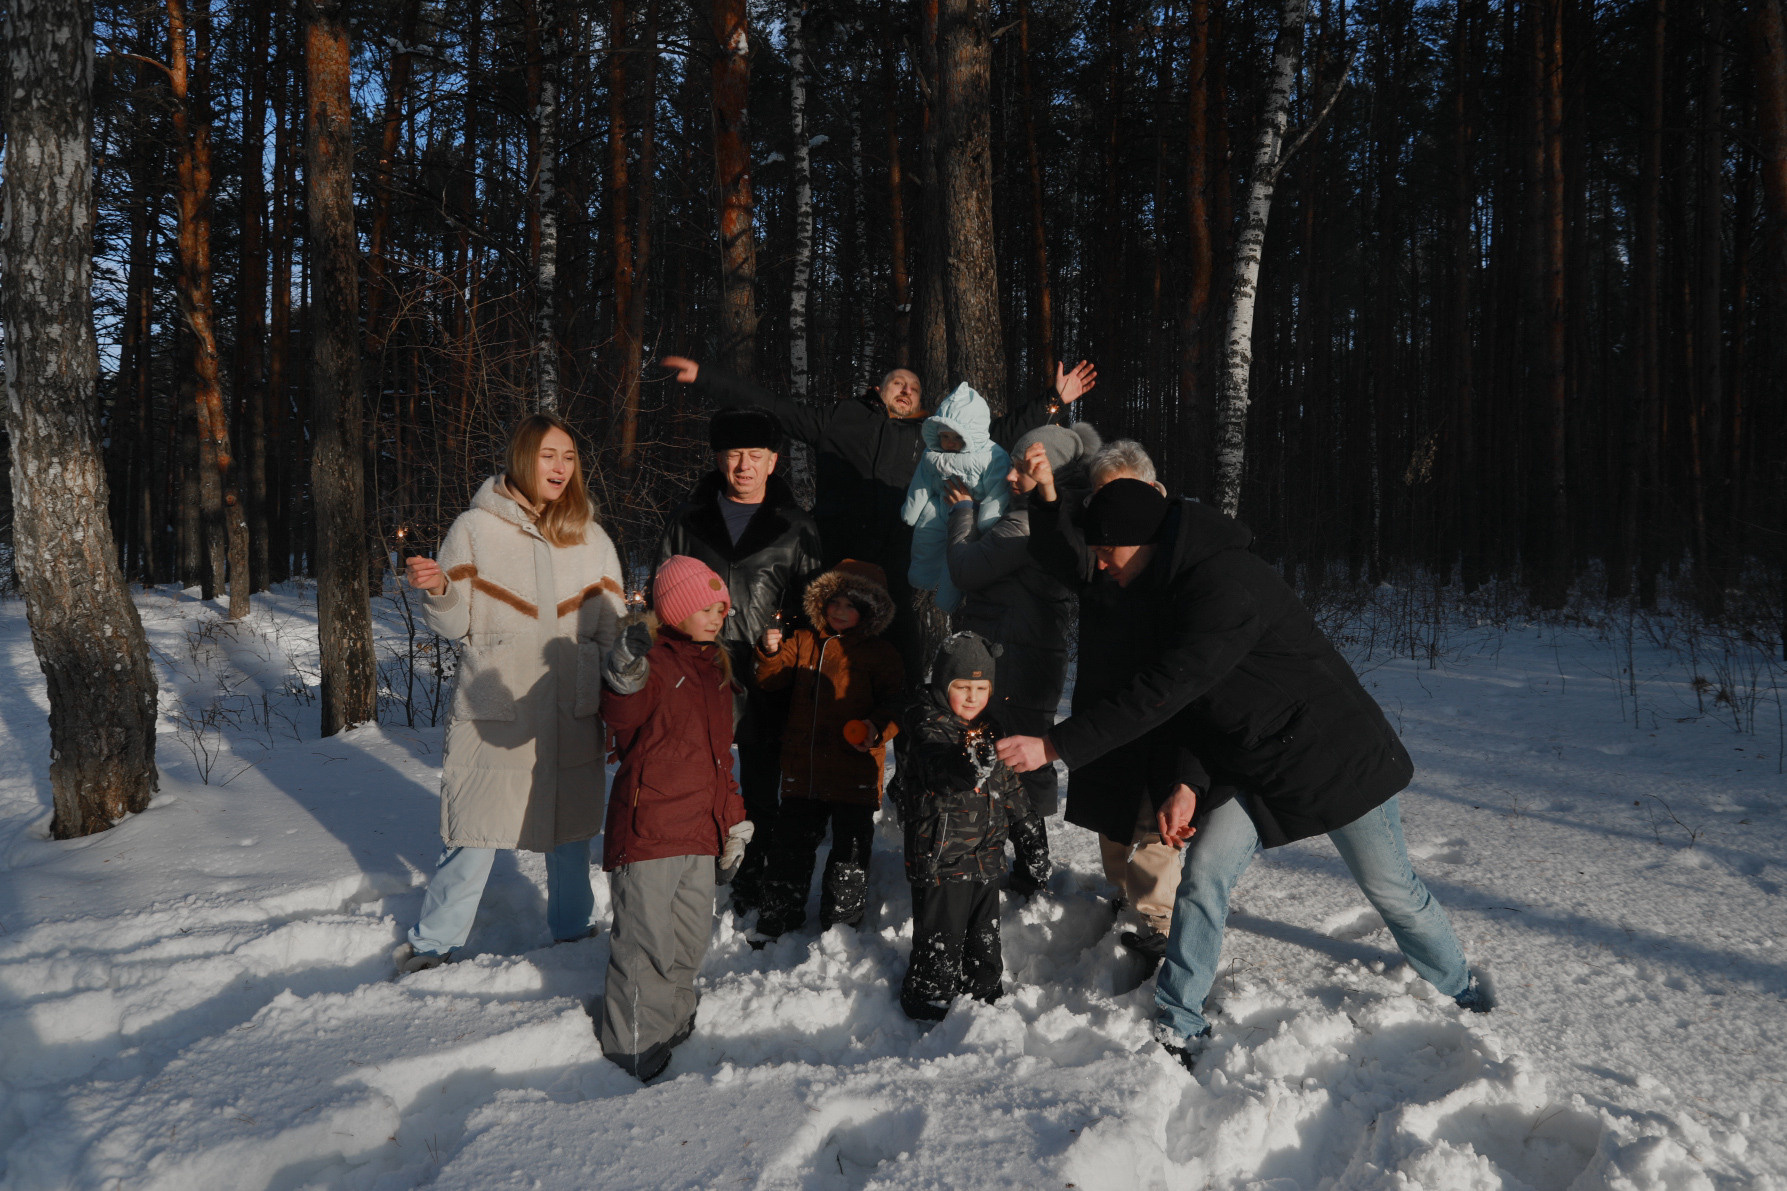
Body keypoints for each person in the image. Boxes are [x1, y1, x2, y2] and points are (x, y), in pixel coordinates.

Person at [996, 478, 1490, 1071]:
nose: (1100, 564)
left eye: (1106, 550)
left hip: (1331, 759)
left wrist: (1053, 743)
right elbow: (1194, 707)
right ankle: (1180, 1021)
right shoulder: (1158, 586)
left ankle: (1462, 989)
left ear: (1142, 540)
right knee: (1203, 877)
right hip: (1248, 764)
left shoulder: (1226, 586)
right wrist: (1188, 781)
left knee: (1391, 888)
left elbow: (1166, 690)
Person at [657, 353, 1096, 673]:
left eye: (914, 387)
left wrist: (1054, 399)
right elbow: (776, 409)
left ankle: (906, 764)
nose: (906, 389)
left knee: (898, 670)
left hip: (895, 571)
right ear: (878, 390)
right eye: (897, 382)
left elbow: (997, 434)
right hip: (831, 566)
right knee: (818, 667)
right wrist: (706, 378)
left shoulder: (934, 439)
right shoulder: (841, 419)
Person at [395, 414, 624, 975]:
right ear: (524, 457)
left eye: (569, 457)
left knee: (571, 834)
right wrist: (440, 590)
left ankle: (573, 934)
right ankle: (432, 945)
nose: (560, 467)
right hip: (498, 705)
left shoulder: (591, 536)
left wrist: (620, 708)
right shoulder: (474, 528)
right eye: (549, 455)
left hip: (572, 707)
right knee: (474, 830)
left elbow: (613, 632)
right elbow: (451, 626)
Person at [1009, 439, 1197, 956]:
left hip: (1163, 705)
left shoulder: (1177, 550)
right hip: (1103, 705)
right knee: (1113, 820)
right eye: (1099, 498)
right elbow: (1056, 552)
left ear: (1151, 491)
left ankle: (1158, 922)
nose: (1109, 511)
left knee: (1157, 822)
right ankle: (1123, 894)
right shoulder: (1098, 554)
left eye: (1119, 496)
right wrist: (1045, 494)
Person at [656, 408, 821, 913]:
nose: (743, 466)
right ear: (718, 459)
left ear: (773, 462)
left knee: (760, 783)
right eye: (733, 455)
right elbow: (661, 596)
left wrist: (785, 638)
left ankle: (755, 874)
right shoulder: (688, 521)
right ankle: (694, 866)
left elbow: (817, 605)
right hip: (698, 672)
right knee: (695, 776)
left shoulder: (796, 528)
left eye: (755, 456)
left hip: (767, 674)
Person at [597, 555, 752, 1081]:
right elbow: (622, 715)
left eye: (721, 609)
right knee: (645, 946)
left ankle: (674, 1023)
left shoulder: (716, 673)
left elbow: (719, 759)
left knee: (688, 940)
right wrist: (624, 670)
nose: (716, 617)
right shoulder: (654, 662)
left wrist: (733, 823)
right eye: (705, 608)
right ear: (675, 609)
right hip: (651, 830)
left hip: (699, 831)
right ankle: (633, 1047)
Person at [941, 421, 1103, 894]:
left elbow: (966, 568)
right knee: (1015, 756)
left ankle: (1029, 868)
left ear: (1047, 473)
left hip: (1015, 657)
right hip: (1028, 654)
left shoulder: (1026, 523)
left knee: (1018, 760)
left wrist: (962, 513)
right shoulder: (1046, 516)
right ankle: (1024, 864)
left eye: (1021, 470)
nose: (1011, 478)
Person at [751, 559, 905, 941]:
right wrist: (769, 652)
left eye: (850, 606)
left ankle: (840, 928)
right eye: (834, 603)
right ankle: (777, 918)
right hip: (804, 769)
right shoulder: (804, 641)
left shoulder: (881, 654)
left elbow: (896, 704)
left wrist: (875, 728)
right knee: (789, 848)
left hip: (855, 770)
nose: (839, 611)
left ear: (869, 612)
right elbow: (771, 680)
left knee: (849, 856)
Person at [895, 632, 1044, 1021]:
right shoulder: (926, 725)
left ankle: (985, 997)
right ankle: (928, 1003)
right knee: (941, 939)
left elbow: (1009, 784)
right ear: (944, 686)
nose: (973, 696)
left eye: (982, 687)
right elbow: (937, 766)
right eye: (963, 686)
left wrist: (1028, 830)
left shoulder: (990, 729)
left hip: (987, 856)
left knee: (984, 937)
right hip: (943, 858)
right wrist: (966, 767)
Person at [902, 383, 1011, 614]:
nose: (949, 443)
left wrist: (989, 522)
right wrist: (911, 511)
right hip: (939, 508)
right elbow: (921, 483)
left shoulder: (992, 456)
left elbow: (997, 490)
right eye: (944, 436)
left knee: (958, 559)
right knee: (926, 540)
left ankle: (946, 601)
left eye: (956, 436)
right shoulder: (932, 456)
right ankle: (922, 582)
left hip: (971, 515)